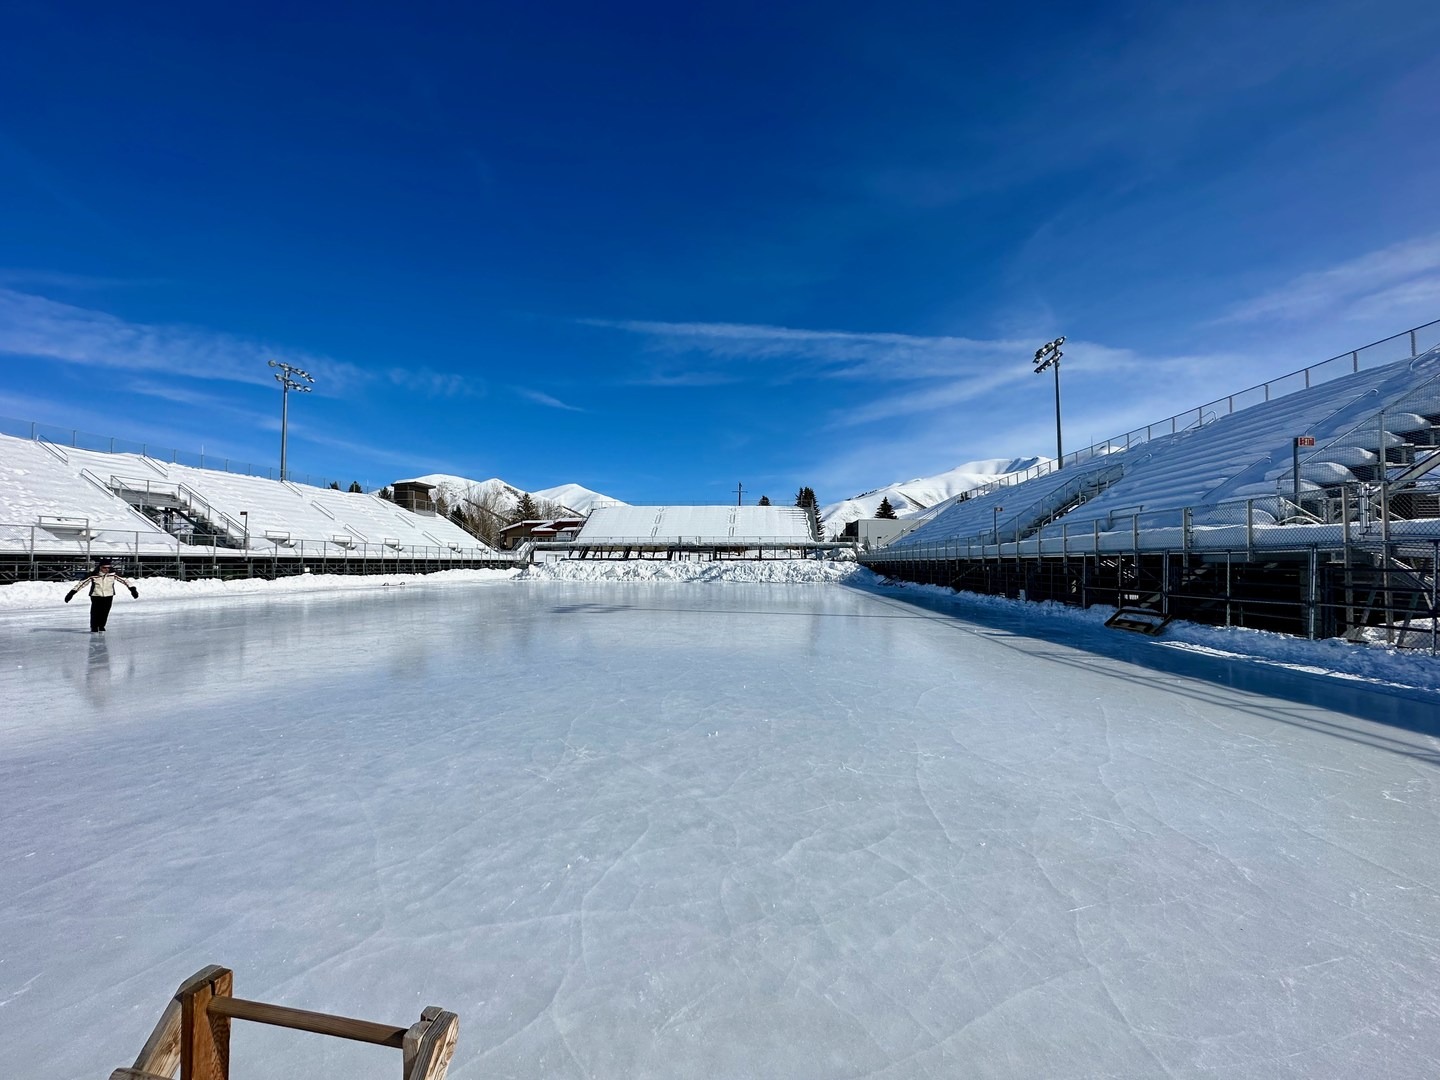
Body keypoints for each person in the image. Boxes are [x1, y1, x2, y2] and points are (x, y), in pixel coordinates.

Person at [65, 560, 139, 632]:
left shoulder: (113, 574)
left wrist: (132, 589)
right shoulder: (93, 575)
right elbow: (81, 584)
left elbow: (125, 580)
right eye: (104, 567)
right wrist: (71, 593)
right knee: (95, 612)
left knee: (105, 612)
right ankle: (94, 626)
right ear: (100, 567)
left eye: (108, 568)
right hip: (96, 595)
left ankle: (101, 626)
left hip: (109, 595)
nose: (106, 569)